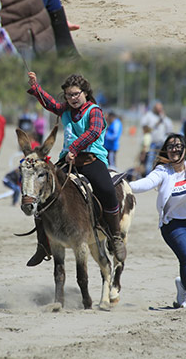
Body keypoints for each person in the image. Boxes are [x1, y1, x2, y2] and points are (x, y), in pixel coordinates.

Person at [26, 70, 127, 263]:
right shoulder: (65, 110)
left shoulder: (94, 110)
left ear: (85, 93)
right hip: (67, 161)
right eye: (69, 95)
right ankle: (42, 245)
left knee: (107, 190)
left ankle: (115, 237)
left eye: (75, 94)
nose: (72, 98)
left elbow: (94, 131)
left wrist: (75, 147)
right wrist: (35, 86)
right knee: (42, 192)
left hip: (91, 160)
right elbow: (51, 104)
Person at [130, 132, 186, 310]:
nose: (175, 149)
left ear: (185, 149)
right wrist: (123, 185)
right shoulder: (163, 171)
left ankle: (183, 285)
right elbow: (146, 183)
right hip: (174, 225)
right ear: (167, 151)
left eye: (178, 146)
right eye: (171, 147)